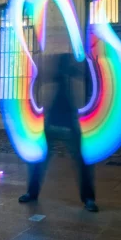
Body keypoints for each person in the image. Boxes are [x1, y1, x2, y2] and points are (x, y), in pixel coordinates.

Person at [18, 51, 99, 212]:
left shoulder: (73, 73)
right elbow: (39, 79)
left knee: (79, 160)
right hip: (55, 118)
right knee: (42, 158)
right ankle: (32, 192)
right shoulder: (55, 74)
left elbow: (88, 76)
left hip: (68, 119)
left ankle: (88, 198)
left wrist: (87, 64)